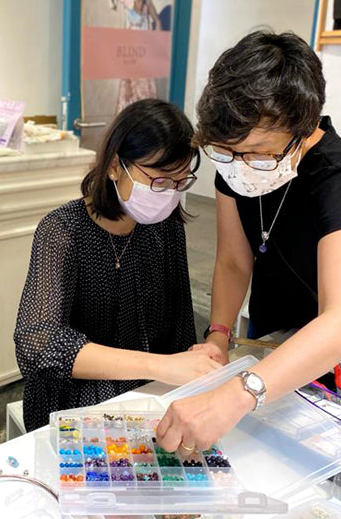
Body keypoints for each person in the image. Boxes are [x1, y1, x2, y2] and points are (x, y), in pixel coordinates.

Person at [157, 31, 341, 455]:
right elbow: (233, 263)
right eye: (226, 152)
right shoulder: (235, 160)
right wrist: (219, 336)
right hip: (273, 329)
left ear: (304, 130)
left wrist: (237, 394)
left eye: (260, 154)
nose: (241, 167)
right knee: (257, 448)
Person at [14, 98, 221, 431]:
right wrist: (159, 367)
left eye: (180, 182)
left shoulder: (165, 228)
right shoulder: (62, 231)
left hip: (145, 392)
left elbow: (180, 324)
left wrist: (196, 361)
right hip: (72, 399)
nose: (169, 194)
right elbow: (38, 344)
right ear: (114, 166)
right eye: (159, 180)